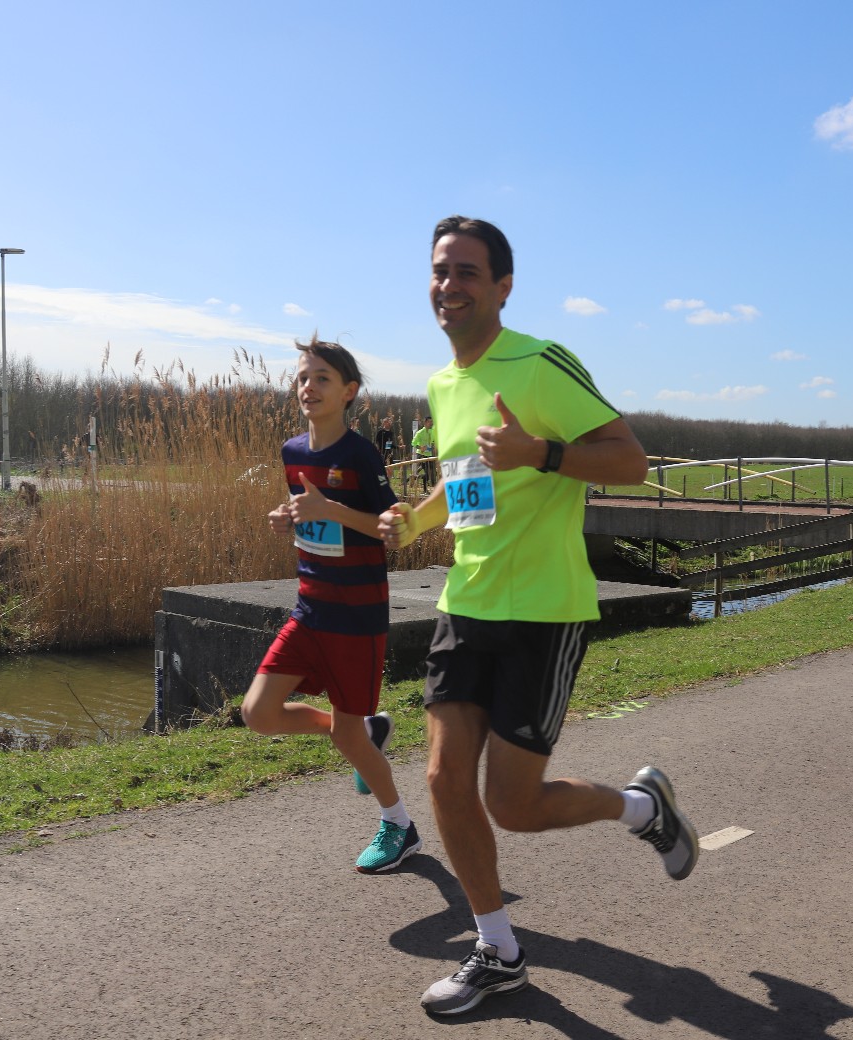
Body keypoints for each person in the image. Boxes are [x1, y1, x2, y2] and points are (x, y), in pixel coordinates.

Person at [378, 216, 697, 1016]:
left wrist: (542, 454)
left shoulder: (542, 361)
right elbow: (465, 481)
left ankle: (641, 807)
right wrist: (410, 524)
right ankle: (500, 951)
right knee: (444, 779)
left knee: (513, 808)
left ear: (503, 286)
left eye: (467, 272)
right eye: (440, 271)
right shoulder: (443, 385)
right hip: (467, 601)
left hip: (543, 614)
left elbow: (631, 461)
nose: (449, 286)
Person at [240, 334, 421, 875]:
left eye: (322, 378)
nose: (308, 387)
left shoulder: (361, 454)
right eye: (302, 377)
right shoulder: (293, 451)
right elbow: (307, 509)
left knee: (347, 733)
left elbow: (390, 530)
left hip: (356, 617)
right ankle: (366, 733)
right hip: (309, 607)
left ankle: (399, 825)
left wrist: (331, 510)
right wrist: (287, 516)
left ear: (349, 391)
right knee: (258, 713)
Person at [411, 415, 437, 492]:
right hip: (421, 455)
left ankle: (417, 476)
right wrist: (420, 447)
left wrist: (434, 445)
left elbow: (433, 441)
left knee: (433, 472)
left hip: (429, 455)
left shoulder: (432, 432)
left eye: (431, 422)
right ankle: (425, 490)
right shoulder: (420, 433)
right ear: (425, 423)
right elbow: (413, 443)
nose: (431, 423)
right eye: (429, 422)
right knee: (427, 473)